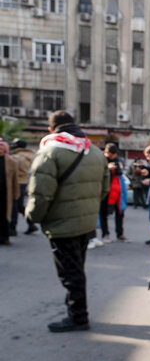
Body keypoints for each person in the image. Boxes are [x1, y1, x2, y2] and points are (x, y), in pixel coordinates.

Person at [25, 110, 109, 332]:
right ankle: (76, 311)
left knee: (71, 273)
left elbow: (40, 195)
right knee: (77, 268)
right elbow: (104, 189)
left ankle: (78, 317)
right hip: (86, 223)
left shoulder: (49, 152)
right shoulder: (95, 151)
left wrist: (32, 217)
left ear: (51, 129)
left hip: (62, 225)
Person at [99, 143, 128, 243]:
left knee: (120, 213)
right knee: (103, 213)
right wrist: (106, 168)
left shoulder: (117, 160)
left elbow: (120, 173)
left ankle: (120, 234)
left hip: (116, 191)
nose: (113, 157)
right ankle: (105, 234)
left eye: (114, 155)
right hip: (105, 190)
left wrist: (116, 168)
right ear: (106, 152)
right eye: (111, 155)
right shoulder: (100, 160)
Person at [9, 139, 38, 235]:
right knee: (20, 206)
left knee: (15, 206)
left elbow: (13, 171)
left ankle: (13, 227)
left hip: (17, 182)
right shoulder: (30, 156)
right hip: (25, 182)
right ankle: (31, 224)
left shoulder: (17, 157)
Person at [0, 140, 19, 245]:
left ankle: (4, 237)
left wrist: (16, 193)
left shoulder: (11, 162)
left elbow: (15, 180)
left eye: (2, 148)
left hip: (5, 193)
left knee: (5, 216)